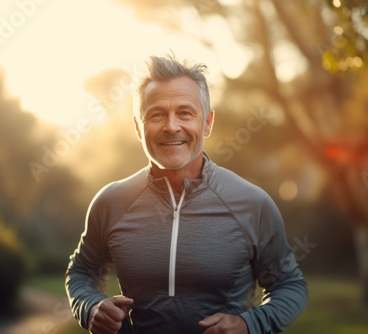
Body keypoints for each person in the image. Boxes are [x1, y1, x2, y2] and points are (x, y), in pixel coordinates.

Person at [65, 54, 308, 334]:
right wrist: (90, 306)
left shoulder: (253, 204)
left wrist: (249, 324)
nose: (171, 126)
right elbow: (82, 271)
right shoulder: (110, 201)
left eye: (185, 113)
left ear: (207, 123)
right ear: (137, 127)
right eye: (156, 114)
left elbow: (290, 285)